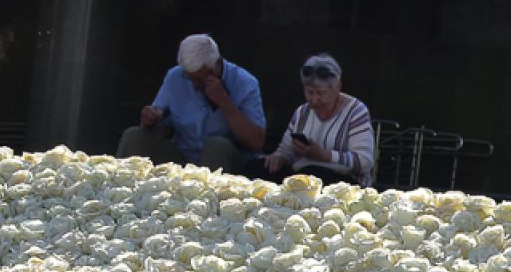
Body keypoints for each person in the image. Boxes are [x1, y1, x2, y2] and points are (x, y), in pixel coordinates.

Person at [116, 33, 266, 173]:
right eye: (190, 79)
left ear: (217, 64)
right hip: (182, 158)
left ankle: (208, 200)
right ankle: (116, 191)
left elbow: (256, 143)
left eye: (201, 79)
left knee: (216, 146)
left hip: (226, 166)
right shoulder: (175, 76)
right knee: (133, 136)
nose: (196, 85)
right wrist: (151, 121)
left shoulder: (245, 83)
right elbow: (161, 127)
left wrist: (225, 103)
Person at [259, 54, 376, 186]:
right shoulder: (302, 112)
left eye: (321, 93)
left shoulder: (356, 112)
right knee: (257, 168)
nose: (314, 100)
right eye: (309, 92)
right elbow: (286, 150)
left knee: (312, 174)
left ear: (337, 87)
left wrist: (324, 155)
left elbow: (364, 161)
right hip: (301, 176)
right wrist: (279, 158)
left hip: (342, 182)